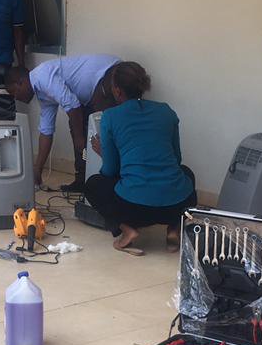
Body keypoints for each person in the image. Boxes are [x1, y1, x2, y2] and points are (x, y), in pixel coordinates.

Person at [83, 62, 197, 256]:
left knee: (93, 184)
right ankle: (174, 229)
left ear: (117, 92)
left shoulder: (110, 117)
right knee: (186, 173)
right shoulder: (166, 111)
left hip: (133, 210)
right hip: (177, 205)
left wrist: (104, 153)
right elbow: (177, 160)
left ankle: (128, 231)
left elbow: (110, 171)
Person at [4, 54, 121, 189]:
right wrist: (38, 169)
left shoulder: (42, 77)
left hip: (108, 74)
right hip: (95, 88)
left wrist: (79, 139)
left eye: (14, 92)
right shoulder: (42, 94)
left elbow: (72, 105)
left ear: (20, 82)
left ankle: (113, 180)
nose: (16, 98)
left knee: (101, 128)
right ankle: (83, 181)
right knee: (78, 125)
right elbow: (46, 131)